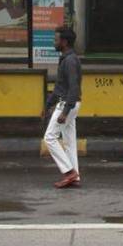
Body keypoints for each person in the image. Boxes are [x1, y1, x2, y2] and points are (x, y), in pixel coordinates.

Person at [43, 26, 82, 188]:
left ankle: (69, 172)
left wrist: (65, 111)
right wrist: (47, 105)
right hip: (70, 103)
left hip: (67, 104)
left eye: (56, 40)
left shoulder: (70, 61)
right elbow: (60, 87)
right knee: (69, 142)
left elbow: (73, 88)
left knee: (50, 137)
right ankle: (75, 176)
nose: (54, 42)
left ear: (64, 42)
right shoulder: (66, 59)